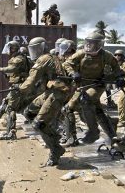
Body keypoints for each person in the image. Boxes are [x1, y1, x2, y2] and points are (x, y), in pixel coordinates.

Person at [19, 37, 72, 166]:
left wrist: (19, 90)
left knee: (39, 124)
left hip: (58, 93)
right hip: (51, 91)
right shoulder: (50, 57)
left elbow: (31, 80)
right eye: (33, 49)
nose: (34, 51)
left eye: (35, 49)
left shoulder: (44, 59)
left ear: (41, 47)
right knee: (29, 113)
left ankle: (56, 150)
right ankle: (54, 136)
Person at [63, 32, 124, 144]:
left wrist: (119, 78)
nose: (90, 46)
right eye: (89, 43)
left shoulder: (106, 55)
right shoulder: (81, 54)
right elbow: (67, 64)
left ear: (100, 44)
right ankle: (71, 138)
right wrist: (73, 73)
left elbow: (117, 69)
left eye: (93, 44)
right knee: (69, 109)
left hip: (96, 85)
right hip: (82, 86)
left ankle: (93, 132)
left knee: (85, 100)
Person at [0, 41, 30, 140]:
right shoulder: (19, 58)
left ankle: (11, 133)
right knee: (6, 102)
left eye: (9, 48)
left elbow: (12, 68)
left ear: (13, 49)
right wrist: (6, 74)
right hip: (16, 86)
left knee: (10, 108)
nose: (8, 51)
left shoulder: (19, 59)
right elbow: (15, 72)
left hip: (18, 87)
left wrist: (0, 69)